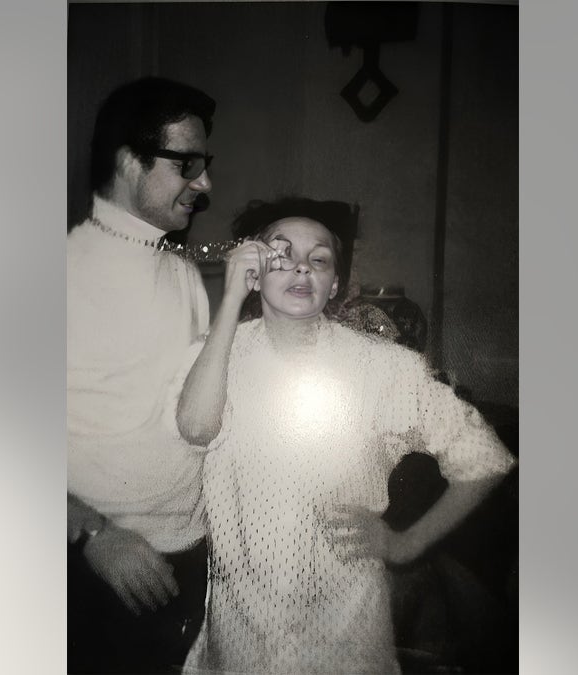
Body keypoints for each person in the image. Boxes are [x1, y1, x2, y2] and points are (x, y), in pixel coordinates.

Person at [174, 199, 517, 674]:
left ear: (333, 284)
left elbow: (485, 457)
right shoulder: (217, 354)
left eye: (319, 259)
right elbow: (195, 428)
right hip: (241, 638)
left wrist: (406, 545)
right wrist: (231, 301)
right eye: (280, 253)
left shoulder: (383, 367)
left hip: (344, 635)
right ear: (254, 271)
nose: (300, 266)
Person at [67, 76, 216, 674]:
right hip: (103, 571)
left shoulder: (180, 273)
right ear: (131, 162)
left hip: (191, 564)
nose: (205, 185)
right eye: (188, 165)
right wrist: (93, 536)